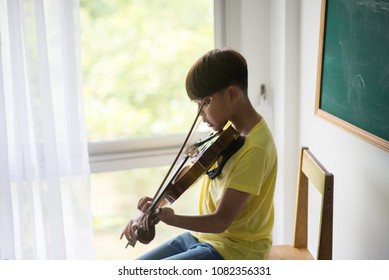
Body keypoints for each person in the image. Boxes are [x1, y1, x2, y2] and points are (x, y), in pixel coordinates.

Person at [120, 48, 277, 260]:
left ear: (232, 94)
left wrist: (171, 219)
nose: (200, 114)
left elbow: (221, 221)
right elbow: (183, 181)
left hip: (235, 251)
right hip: (202, 238)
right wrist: (150, 209)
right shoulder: (229, 133)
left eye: (204, 103)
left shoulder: (255, 148)